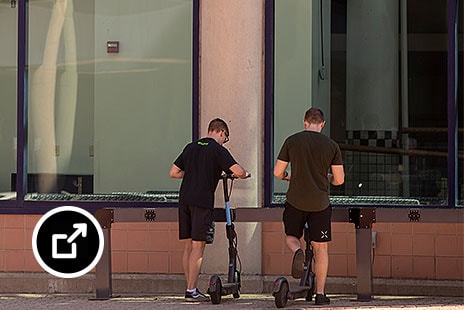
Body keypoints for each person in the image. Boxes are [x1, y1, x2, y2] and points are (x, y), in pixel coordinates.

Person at [169, 118, 250, 302]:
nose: (224, 141)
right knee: (199, 245)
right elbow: (238, 171)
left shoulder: (190, 147)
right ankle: (191, 291)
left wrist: (192, 174)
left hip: (185, 200)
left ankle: (189, 287)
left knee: (188, 245)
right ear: (221, 132)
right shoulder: (218, 150)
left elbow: (173, 172)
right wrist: (246, 173)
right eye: (225, 137)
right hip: (202, 201)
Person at [273, 107, 344, 306]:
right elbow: (339, 180)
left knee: (291, 236)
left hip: (295, 200)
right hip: (320, 204)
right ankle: (320, 294)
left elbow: (278, 172)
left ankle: (297, 251)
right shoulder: (331, 145)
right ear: (322, 124)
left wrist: (290, 177)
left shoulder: (292, 141)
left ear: (305, 122)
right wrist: (325, 177)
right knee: (321, 249)